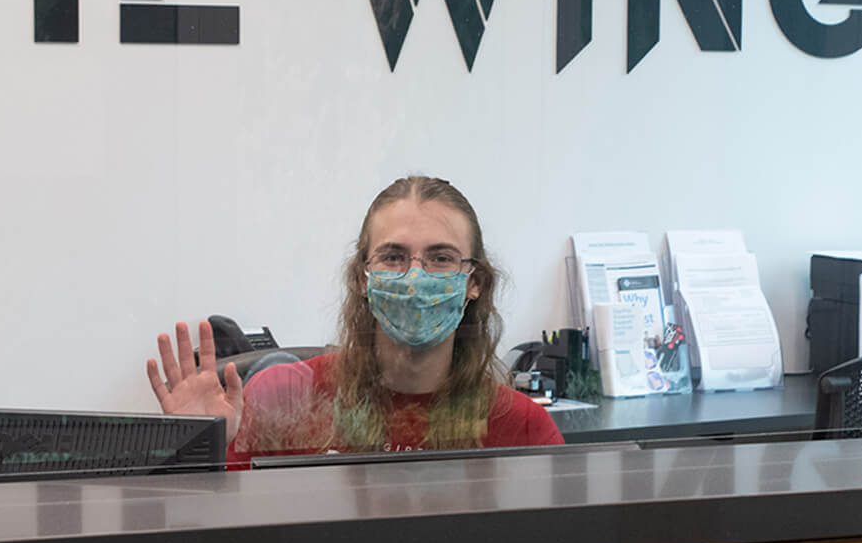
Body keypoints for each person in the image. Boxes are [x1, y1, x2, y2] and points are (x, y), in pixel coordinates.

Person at [146, 175, 563, 465]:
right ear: (363, 277)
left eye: (441, 258)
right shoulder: (281, 401)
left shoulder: (524, 428)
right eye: (393, 256)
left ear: (474, 282)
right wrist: (197, 449)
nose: (414, 277)